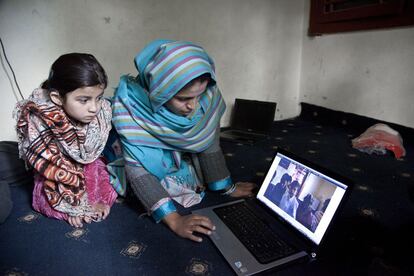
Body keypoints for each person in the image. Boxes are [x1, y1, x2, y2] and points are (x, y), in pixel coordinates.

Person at [106, 39, 255, 242]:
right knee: (136, 180)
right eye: (183, 99)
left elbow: (209, 141)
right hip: (146, 164)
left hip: (179, 158)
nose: (192, 106)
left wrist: (226, 187)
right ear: (158, 90)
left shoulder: (206, 97)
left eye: (198, 96)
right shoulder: (131, 109)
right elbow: (138, 169)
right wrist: (174, 219)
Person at [14, 53, 117, 228]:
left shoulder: (101, 113)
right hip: (53, 175)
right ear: (57, 98)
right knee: (47, 197)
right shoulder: (40, 121)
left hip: (91, 169)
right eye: (83, 100)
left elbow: (93, 164)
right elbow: (53, 172)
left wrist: (99, 198)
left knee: (107, 173)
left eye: (98, 98)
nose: (94, 108)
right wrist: (73, 208)